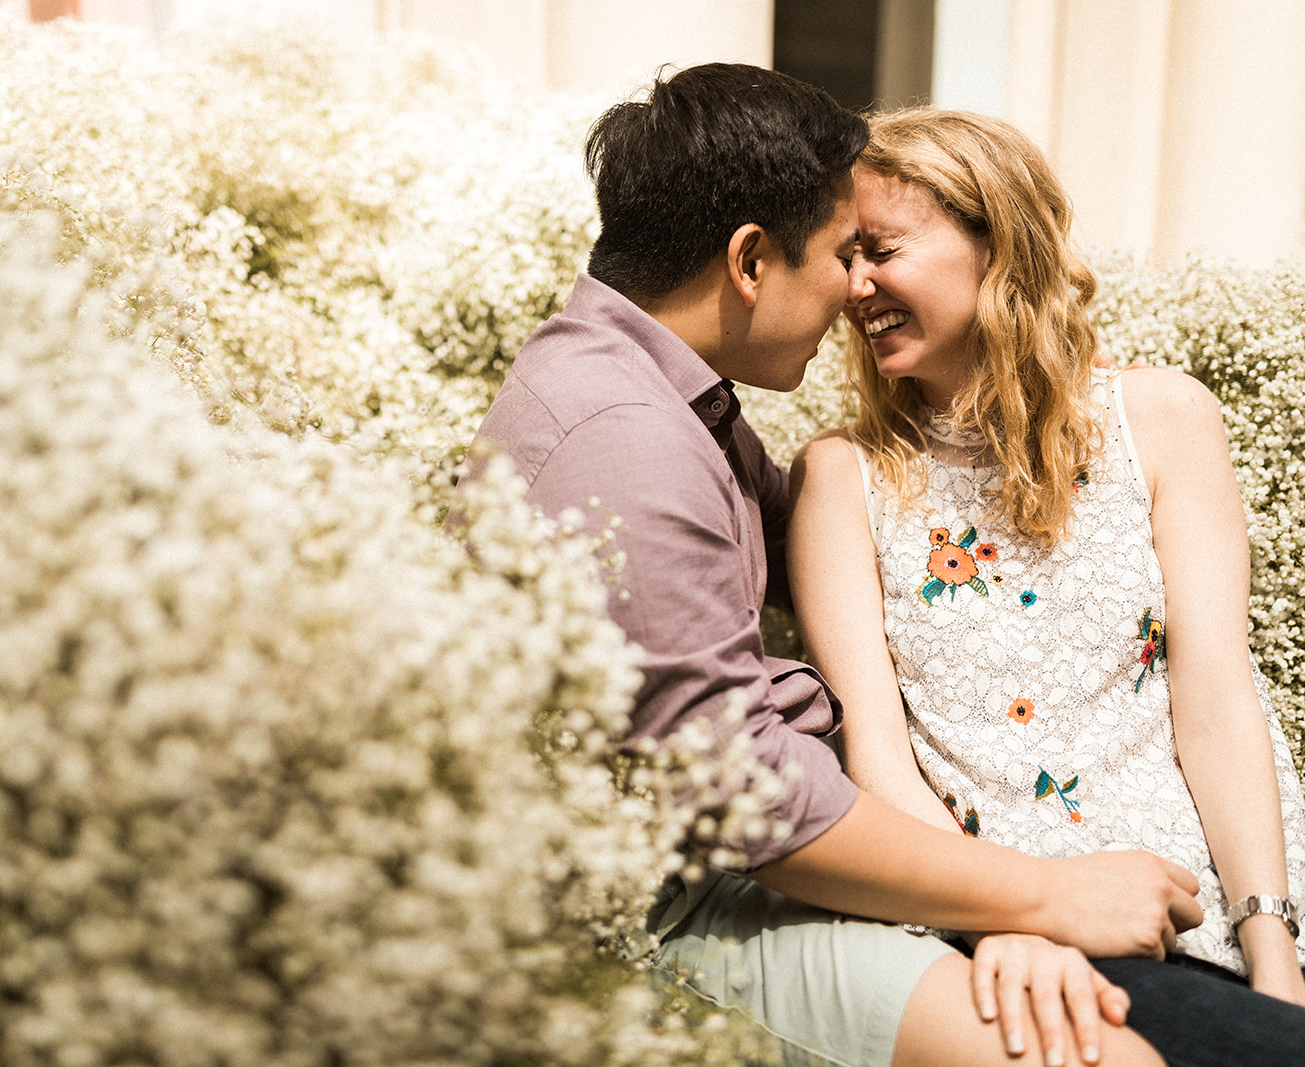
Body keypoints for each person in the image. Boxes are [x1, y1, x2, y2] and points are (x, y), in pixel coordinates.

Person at [457, 64, 1202, 1067]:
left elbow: (820, 547)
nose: (858, 287)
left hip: (756, 844)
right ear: (750, 260)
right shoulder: (623, 439)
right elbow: (748, 799)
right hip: (675, 901)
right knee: (1091, 1057)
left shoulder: (660, 388)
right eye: (845, 253)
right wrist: (1041, 893)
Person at [788, 108, 1305, 1067]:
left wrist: (1275, 951)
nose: (855, 286)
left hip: (1228, 908)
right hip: (1022, 944)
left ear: (997, 238)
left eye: (883, 250)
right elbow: (880, 758)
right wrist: (1004, 919)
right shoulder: (839, 479)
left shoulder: (1163, 419)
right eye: (846, 256)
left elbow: (1219, 700)